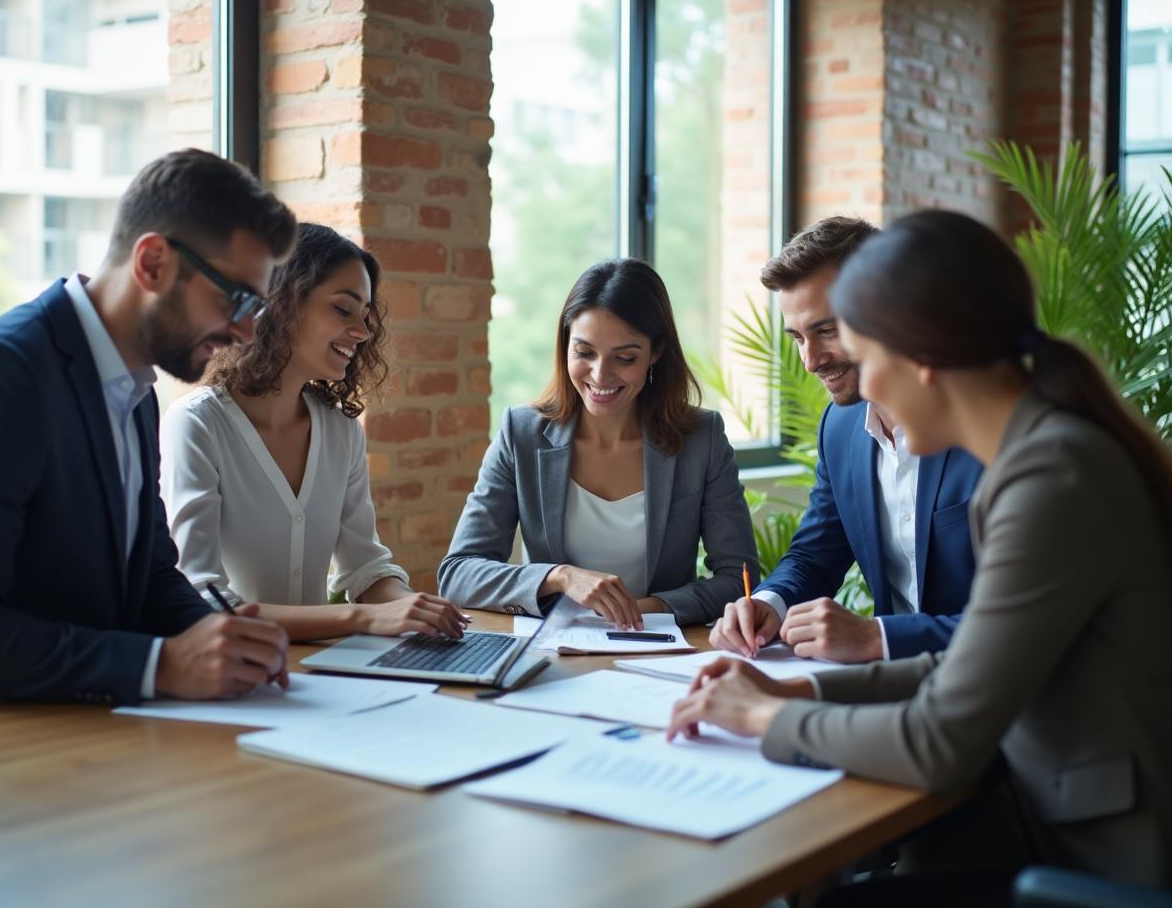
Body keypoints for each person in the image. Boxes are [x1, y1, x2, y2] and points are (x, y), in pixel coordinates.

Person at [668, 210, 1172, 891]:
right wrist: (800, 685)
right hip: (1029, 798)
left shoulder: (1052, 478)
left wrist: (766, 715)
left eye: (864, 354)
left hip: (1088, 849)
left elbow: (939, 743)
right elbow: (962, 668)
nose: (863, 389)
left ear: (924, 357)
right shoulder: (1042, 451)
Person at [0, 149, 298, 707]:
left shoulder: (136, 393)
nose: (248, 332)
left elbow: (150, 577)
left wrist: (220, 637)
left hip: (80, 737)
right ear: (153, 262)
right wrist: (162, 665)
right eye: (236, 298)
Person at [160, 223, 467, 641]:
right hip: (231, 677)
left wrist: (413, 609)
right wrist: (362, 619)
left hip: (317, 674)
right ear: (281, 303)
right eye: (343, 310)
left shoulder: (342, 432)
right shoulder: (197, 425)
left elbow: (364, 567)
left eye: (365, 316)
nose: (362, 332)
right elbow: (204, 601)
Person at [711, 216, 982, 663]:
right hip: (889, 687)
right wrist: (768, 603)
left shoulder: (985, 431)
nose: (811, 360)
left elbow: (1025, 622)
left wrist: (877, 638)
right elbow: (817, 556)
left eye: (827, 330)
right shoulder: (839, 429)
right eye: (797, 337)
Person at [439, 258, 758, 627]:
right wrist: (560, 576)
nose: (600, 375)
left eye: (624, 357)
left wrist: (642, 609)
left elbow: (739, 581)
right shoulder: (520, 434)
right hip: (553, 654)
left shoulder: (702, 439)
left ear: (655, 353)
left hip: (661, 650)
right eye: (584, 352)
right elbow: (458, 574)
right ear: (565, 345)